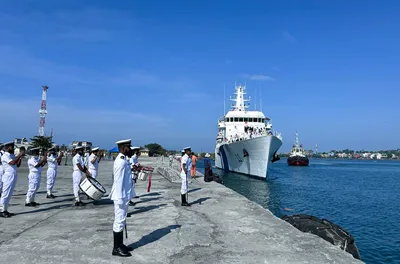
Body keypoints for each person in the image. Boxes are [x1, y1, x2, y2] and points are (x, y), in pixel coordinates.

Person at [110, 139, 134, 257]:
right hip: (120, 196)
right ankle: (116, 248)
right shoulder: (120, 162)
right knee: (119, 220)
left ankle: (120, 244)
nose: (131, 149)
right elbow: (118, 180)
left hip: (124, 195)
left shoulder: (124, 160)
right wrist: (120, 198)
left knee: (122, 219)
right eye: (129, 147)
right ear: (124, 148)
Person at [0, 142, 24, 218]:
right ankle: (1, 210)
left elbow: (17, 164)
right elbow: (12, 162)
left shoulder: (12, 155)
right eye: (11, 147)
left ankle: (5, 210)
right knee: (5, 193)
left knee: (9, 193)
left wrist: (19, 157)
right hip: (8, 176)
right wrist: (19, 155)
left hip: (13, 175)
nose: (13, 148)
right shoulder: (4, 156)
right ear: (7, 147)